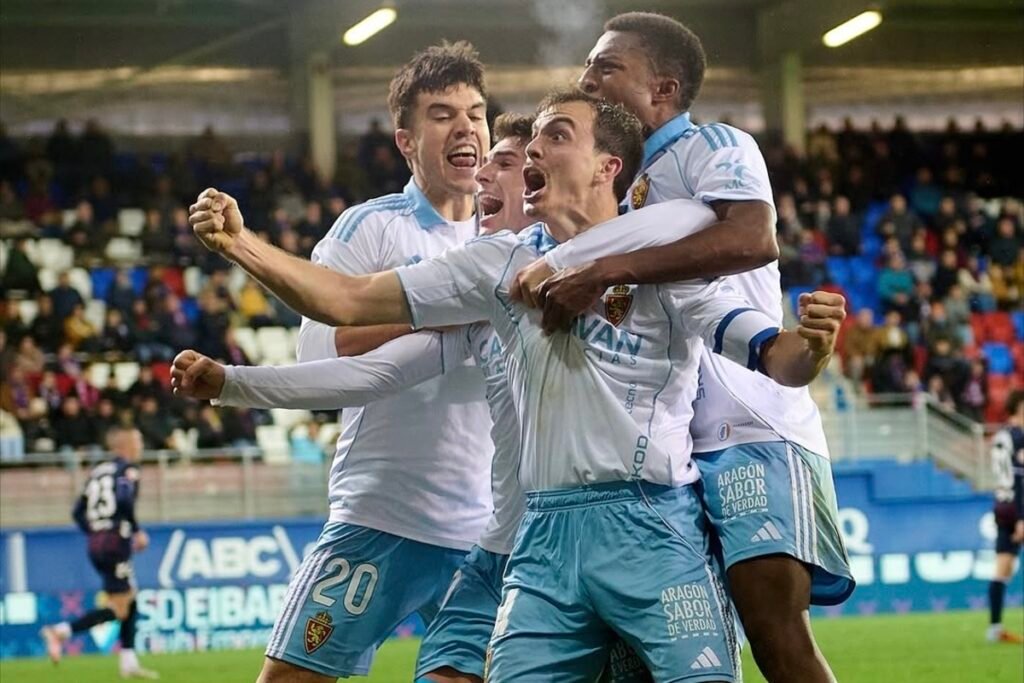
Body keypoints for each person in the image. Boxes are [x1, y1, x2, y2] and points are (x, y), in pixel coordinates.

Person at [188, 88, 845, 682]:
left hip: (652, 525)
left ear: (607, 166)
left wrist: (812, 344)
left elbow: (776, 356)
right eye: (531, 143)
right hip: (543, 539)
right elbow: (348, 301)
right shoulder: (498, 264)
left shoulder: (663, 266)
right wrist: (244, 245)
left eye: (557, 135)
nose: (533, 151)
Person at [509, 13, 853, 682]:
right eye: (588, 65)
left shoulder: (711, 145)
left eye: (607, 67)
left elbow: (752, 238)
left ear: (662, 90)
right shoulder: (620, 188)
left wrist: (605, 269)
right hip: (674, 445)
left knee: (775, 635)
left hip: (751, 420)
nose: (588, 78)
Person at [190, 42, 497, 682]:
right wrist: (440, 310)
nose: (466, 127)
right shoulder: (370, 228)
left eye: (475, 113)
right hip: (381, 514)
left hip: (486, 530)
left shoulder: (508, 236)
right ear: (406, 141)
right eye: (442, 115)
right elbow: (319, 353)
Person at [40, 427, 157, 679]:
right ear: (124, 445)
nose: (141, 445)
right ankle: (60, 632)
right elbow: (124, 499)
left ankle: (128, 662)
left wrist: (95, 531)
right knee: (120, 607)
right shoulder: (128, 469)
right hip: (116, 541)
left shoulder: (98, 471)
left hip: (97, 543)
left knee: (130, 598)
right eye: (138, 440)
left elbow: (77, 512)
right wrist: (136, 531)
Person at [988, 390, 1024, 644]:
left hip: (1001, 504)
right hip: (1017, 505)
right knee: (1003, 566)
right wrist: (1022, 517)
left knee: (1003, 567)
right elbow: (1019, 478)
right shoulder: (1018, 436)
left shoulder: (1000, 435)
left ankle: (995, 628)